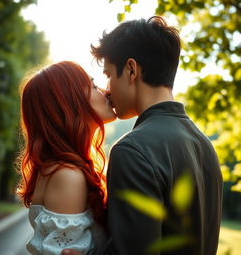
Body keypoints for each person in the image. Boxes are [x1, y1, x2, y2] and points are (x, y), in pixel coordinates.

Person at [62, 16, 223, 255]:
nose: (107, 89)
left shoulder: (133, 150)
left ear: (131, 69)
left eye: (108, 74)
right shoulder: (204, 145)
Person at [16, 61, 116, 254]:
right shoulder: (67, 175)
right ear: (70, 103)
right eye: (94, 86)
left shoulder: (59, 169)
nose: (106, 91)